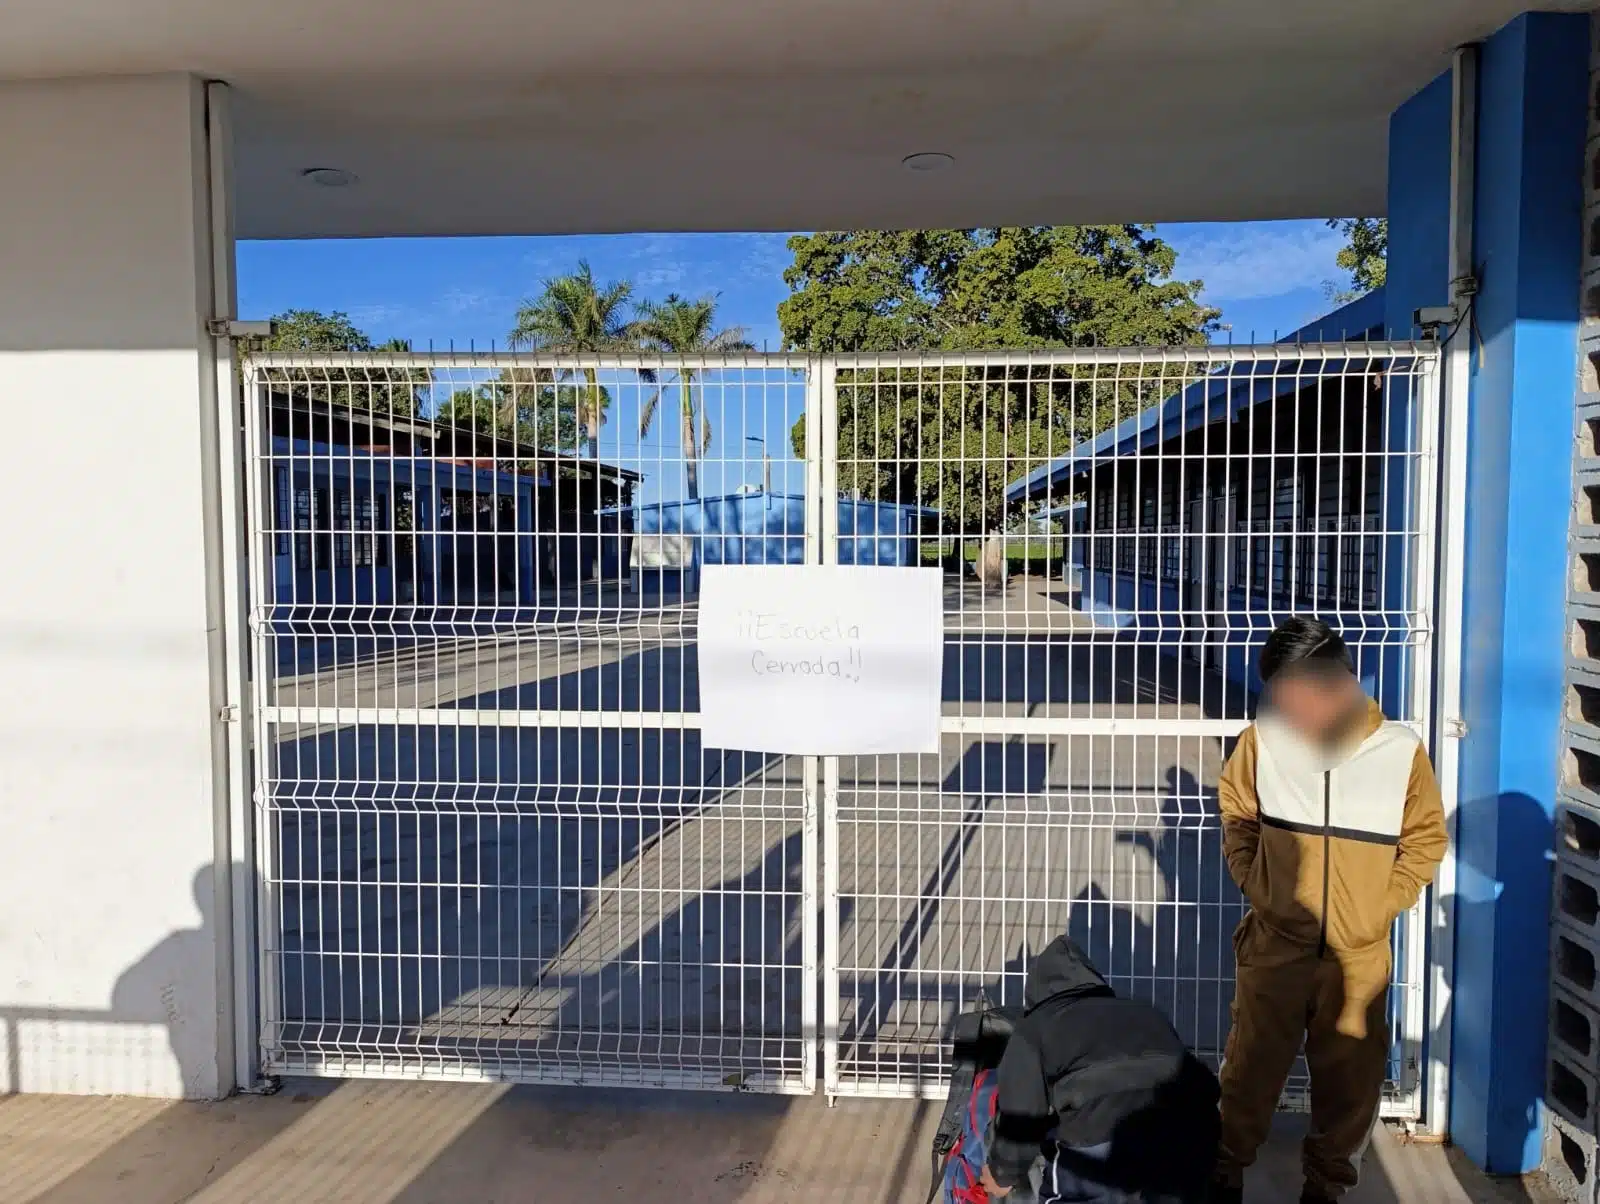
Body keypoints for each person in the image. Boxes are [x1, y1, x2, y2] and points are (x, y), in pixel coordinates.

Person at [1211, 617, 1448, 1204]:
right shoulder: (1262, 741)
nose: (1282, 706)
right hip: (1274, 947)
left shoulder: (1400, 751)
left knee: (1350, 1088)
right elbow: (1236, 812)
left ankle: (1326, 1187)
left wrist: (1381, 906)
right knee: (1248, 1074)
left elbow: (1425, 839)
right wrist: (1254, 881)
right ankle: (1223, 1174)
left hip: (1358, 960)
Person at [978, 935, 1220, 1203]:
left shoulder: (1034, 1028)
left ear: (1036, 993)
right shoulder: (1144, 1011)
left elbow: (1020, 1119)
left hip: (1101, 1132)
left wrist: (1001, 1175)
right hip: (1194, 1123)